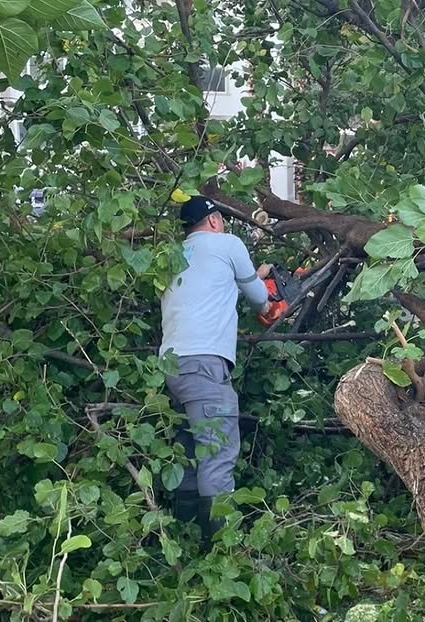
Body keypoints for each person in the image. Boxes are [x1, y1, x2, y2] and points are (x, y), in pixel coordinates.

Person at [159, 195, 272, 550]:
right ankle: (220, 552)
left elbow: (206, 290)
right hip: (205, 363)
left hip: (172, 366)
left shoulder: (174, 256)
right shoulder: (228, 244)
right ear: (213, 221)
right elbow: (260, 301)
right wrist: (266, 295)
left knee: (191, 450)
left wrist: (254, 276)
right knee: (218, 454)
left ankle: (186, 537)